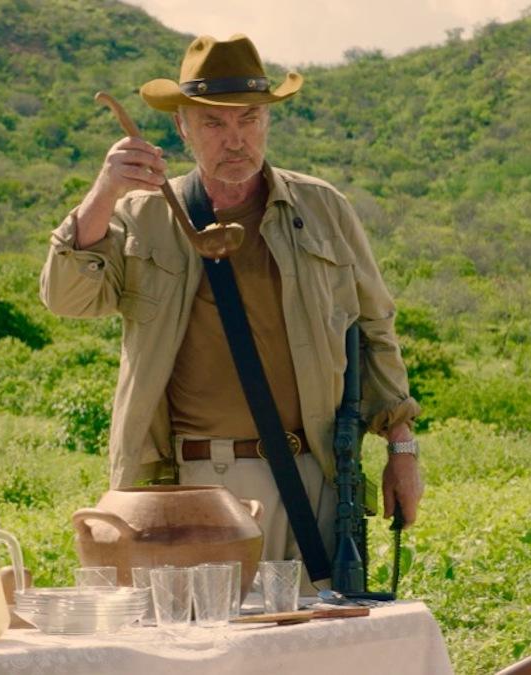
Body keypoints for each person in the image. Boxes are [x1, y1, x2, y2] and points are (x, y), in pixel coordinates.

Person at [39, 34, 423, 580]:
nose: (235, 140)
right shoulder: (143, 214)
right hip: (191, 482)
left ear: (267, 120)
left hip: (312, 474)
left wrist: (401, 451)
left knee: (316, 646)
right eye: (214, 124)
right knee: (195, 646)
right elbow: (67, 297)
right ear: (182, 128)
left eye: (248, 120)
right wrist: (103, 193)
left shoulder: (321, 208)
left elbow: (374, 329)